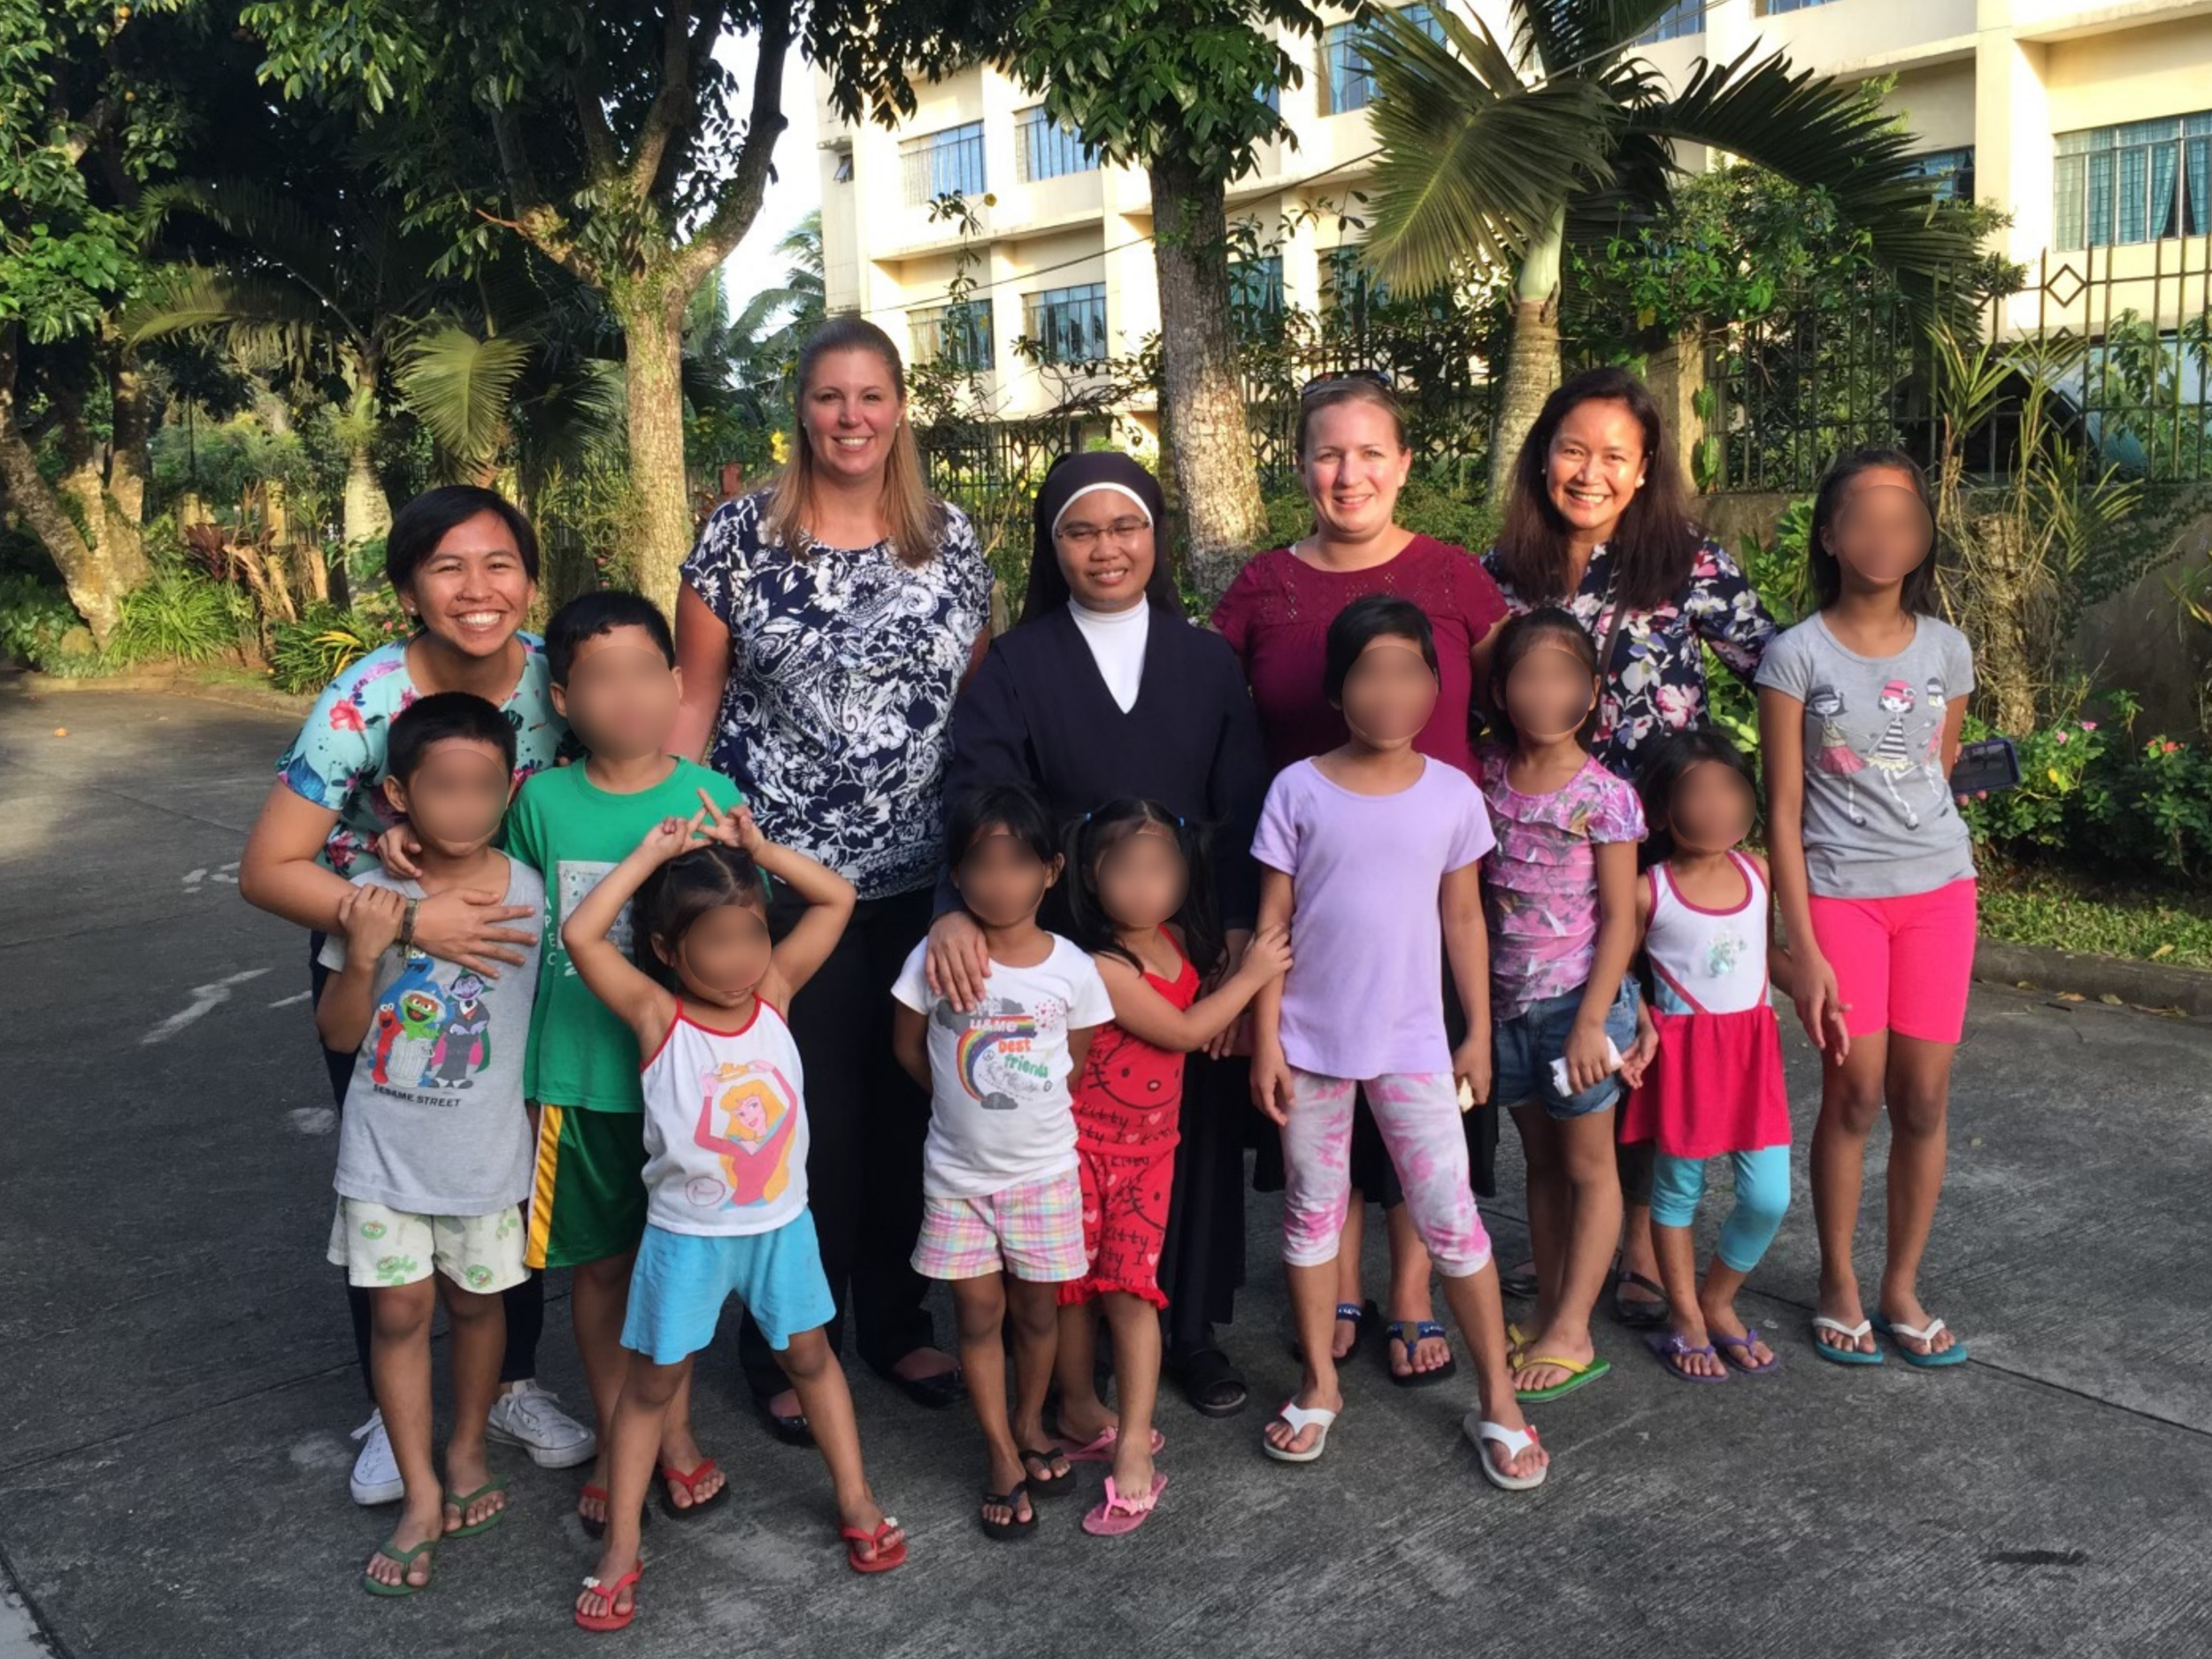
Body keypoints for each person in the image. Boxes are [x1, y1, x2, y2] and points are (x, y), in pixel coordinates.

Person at [240, 485, 593, 1508]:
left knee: (506, 1181)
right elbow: (269, 867)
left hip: (522, 964)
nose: (477, 590)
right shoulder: (362, 700)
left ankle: (511, 1385)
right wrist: (398, 912)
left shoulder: (553, 681)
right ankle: (392, 1419)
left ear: (529, 579)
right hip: (386, 972)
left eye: (499, 565)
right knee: (385, 1175)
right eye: (448, 568)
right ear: (408, 589)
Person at [672, 318, 988, 1440]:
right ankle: (786, 1340)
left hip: (922, 882)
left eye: (870, 396)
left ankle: (898, 1318)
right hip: (778, 881)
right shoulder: (736, 538)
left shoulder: (949, 537)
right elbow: (691, 708)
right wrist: (679, 855)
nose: (850, 417)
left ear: (899, 408)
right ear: (799, 409)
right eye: (827, 397)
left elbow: (973, 707)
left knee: (914, 1105)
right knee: (798, 1117)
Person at [931, 450, 1269, 1418]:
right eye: (1081, 530)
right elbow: (980, 790)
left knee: (1184, 1139)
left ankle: (1189, 1330)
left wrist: (1241, 936)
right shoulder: (1022, 662)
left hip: (1187, 941)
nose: (1105, 547)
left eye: (1125, 527)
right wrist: (960, 907)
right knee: (1073, 1145)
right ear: (1053, 545)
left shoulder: (1205, 660)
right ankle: (1079, 1344)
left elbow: (1242, 803)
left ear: (1155, 537)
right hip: (1063, 944)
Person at [1214, 373, 1511, 1387]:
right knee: (1322, 1113)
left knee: (1424, 1123)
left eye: (1370, 452)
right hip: (1309, 885)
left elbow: (1527, 688)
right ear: (1300, 467)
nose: (1350, 473)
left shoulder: (1456, 579)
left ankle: (1414, 1291)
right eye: (1328, 454)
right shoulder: (1261, 585)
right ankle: (1337, 1287)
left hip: (1431, 872)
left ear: (1404, 464)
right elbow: (1212, 715)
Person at [1480, 367, 1781, 1333]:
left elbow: (1775, 666)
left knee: (1656, 1046)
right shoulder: (1500, 575)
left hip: (1662, 852)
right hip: (1546, 864)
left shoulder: (1685, 563)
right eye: (1572, 449)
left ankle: (1651, 1243)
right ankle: (1573, 1239)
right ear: (1542, 457)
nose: (1590, 471)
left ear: (1645, 468)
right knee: (1571, 1047)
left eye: (1615, 454)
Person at [564, 803, 903, 1633]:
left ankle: (856, 1500)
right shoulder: (657, 1016)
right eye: (717, 942)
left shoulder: (777, 994)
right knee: (652, 1387)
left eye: (752, 935)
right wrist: (651, 852)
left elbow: (837, 898)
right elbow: (581, 934)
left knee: (813, 1359)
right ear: (667, 952)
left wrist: (761, 849)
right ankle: (622, 1549)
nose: (743, 958)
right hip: (685, 1240)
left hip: (781, 1228)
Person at [1248, 595, 1546, 1493]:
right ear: (1337, 691)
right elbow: (1272, 926)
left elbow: (1463, 916)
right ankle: (1318, 1383)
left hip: (1416, 1045)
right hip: (1308, 1046)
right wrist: (1265, 1041)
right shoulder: (1296, 790)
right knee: (1309, 1212)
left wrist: (1477, 1034)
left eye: (1410, 671)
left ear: (1436, 683)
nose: (1391, 691)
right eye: (1369, 673)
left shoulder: (1452, 795)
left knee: (1451, 1215)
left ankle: (1498, 1398)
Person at [499, 593, 745, 1534]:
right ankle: (619, 1434)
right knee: (599, 1272)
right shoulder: (539, 806)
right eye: (600, 678)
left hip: (685, 1095)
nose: (628, 695)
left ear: (678, 682)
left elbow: (740, 950)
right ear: (562, 696)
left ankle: (669, 1435)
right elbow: (513, 935)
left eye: (648, 671)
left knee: (673, 1269)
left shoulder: (711, 798)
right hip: (576, 1085)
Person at [314, 693, 541, 1596]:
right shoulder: (372, 898)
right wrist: (368, 949)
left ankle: (467, 1447)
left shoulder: (530, 889)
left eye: (483, 788)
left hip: (486, 1157)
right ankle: (417, 1490)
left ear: (507, 790)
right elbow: (338, 1034)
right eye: (441, 788)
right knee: (400, 1313)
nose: (463, 808)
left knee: (479, 1309)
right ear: (401, 793)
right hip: (383, 1155)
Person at [1756, 449, 1977, 1370]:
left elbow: (1942, 763)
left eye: (1905, 519)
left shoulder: (1947, 647)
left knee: (1921, 1098)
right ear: (1828, 534)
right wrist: (1799, 949)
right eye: (1866, 518)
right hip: (1840, 899)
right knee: (1852, 1092)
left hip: (1939, 892)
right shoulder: (1793, 653)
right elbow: (1780, 806)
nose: (1886, 536)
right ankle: (1839, 1281)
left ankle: (1899, 1286)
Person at [1054, 800, 1294, 1535]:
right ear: (1091, 876)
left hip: (1147, 1159)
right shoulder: (1104, 962)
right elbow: (1188, 1028)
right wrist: (1251, 976)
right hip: (1080, 1151)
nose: (1145, 884)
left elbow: (1198, 1013)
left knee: (1129, 1293)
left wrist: (1229, 1002)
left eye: (1161, 868)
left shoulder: (1171, 940)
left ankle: (1133, 1442)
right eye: (1126, 869)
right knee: (1071, 1292)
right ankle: (1076, 1409)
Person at [892, 783, 1115, 1539]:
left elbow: (1073, 1064)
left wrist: (1014, 1110)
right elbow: (908, 1044)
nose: (1000, 881)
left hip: (1045, 1172)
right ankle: (999, 1452)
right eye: (981, 864)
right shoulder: (934, 954)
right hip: (957, 1176)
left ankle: (1029, 1421)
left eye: (1019, 862)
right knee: (978, 1312)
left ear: (1052, 870)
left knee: (1036, 1309)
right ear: (957, 873)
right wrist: (960, 1104)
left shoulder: (1073, 969)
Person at [1479, 609, 1651, 1405]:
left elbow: (1621, 917)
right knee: (1539, 1166)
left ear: (1589, 697)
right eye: (1527, 676)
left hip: (1579, 1010)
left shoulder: (1607, 796)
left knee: (1589, 1167)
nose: (1544, 692)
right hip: (1509, 1006)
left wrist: (1594, 1019)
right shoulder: (1484, 777)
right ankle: (1551, 1308)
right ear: (1504, 691)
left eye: (1562, 678)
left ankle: (1575, 1328)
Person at [1621, 727, 1828, 1379]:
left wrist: (1815, 989)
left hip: (1751, 1052)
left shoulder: (1758, 871)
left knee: (1769, 1196)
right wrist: (1640, 1024)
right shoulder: (1648, 888)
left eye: (1729, 789)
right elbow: (1620, 975)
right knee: (1676, 1192)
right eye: (1696, 793)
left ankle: (1718, 1297)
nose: (1715, 806)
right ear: (1660, 809)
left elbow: (1762, 954)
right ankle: (1684, 1314)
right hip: (1683, 1059)